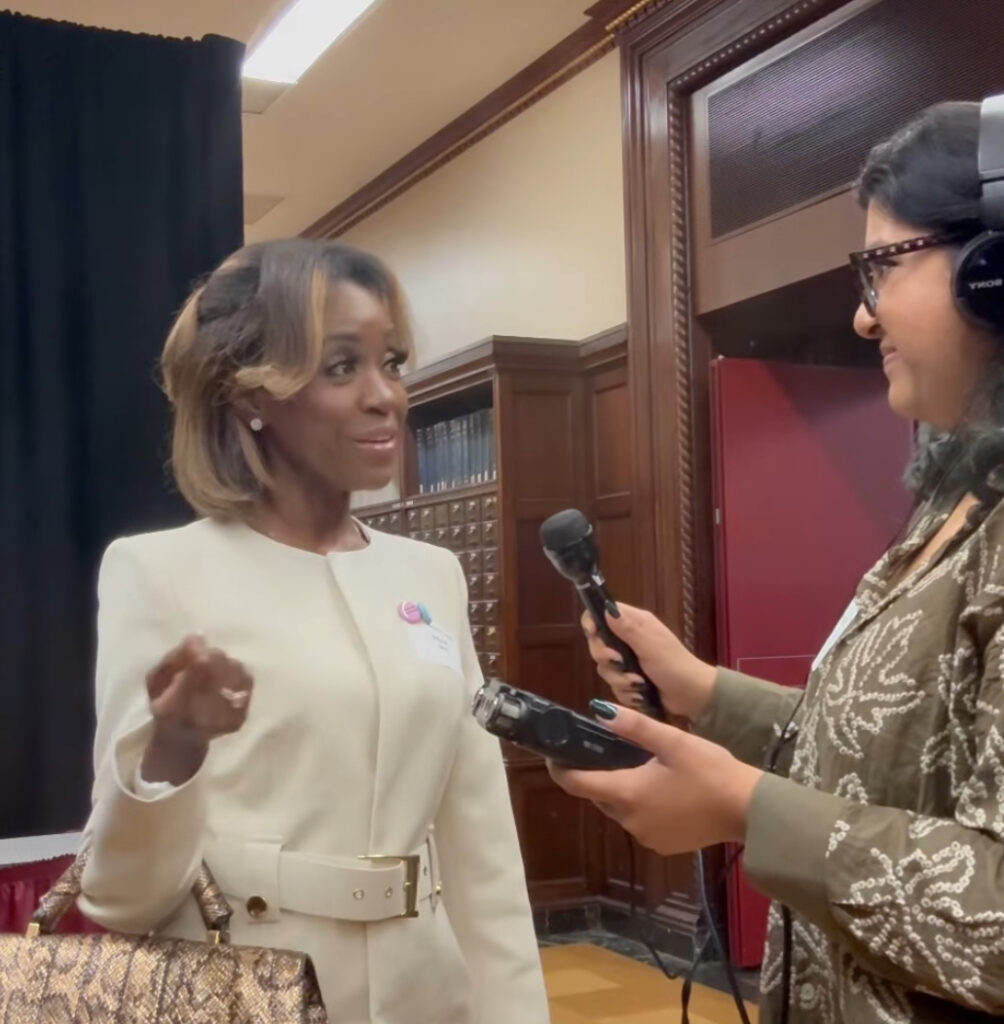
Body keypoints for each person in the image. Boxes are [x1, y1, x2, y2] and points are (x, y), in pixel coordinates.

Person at [550, 99, 1004, 1024]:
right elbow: (885, 752)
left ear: (993, 272)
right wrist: (703, 690)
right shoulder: (957, 502)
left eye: (882, 265)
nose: (863, 317)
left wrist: (747, 809)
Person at [77, 239, 550, 1024]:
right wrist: (173, 749)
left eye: (391, 362)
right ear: (252, 396)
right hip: (234, 990)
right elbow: (122, 897)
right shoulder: (156, 571)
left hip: (424, 994)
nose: (386, 396)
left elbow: (481, 848)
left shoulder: (432, 576)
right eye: (341, 368)